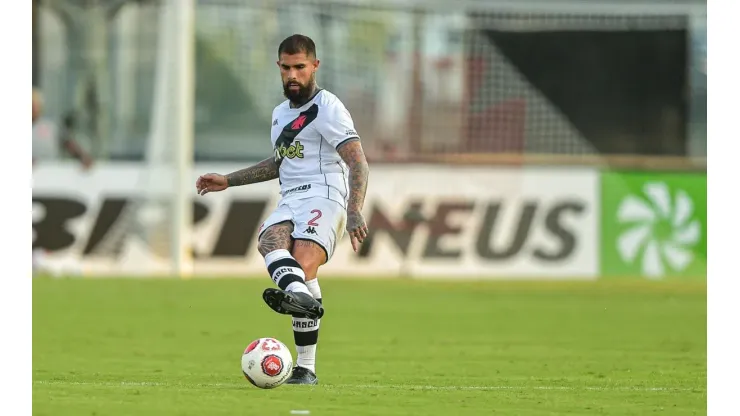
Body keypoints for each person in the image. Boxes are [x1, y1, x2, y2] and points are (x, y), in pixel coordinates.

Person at [195, 34, 370, 385]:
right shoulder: (279, 114)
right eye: (287, 68)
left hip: (325, 195)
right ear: (279, 67)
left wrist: (354, 211)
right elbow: (280, 163)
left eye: (300, 68)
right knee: (269, 241)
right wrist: (228, 180)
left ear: (314, 67)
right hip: (291, 197)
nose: (293, 75)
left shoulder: (327, 107)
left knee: (303, 264)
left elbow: (358, 163)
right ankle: (305, 359)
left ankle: (304, 346)